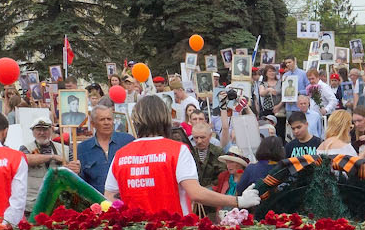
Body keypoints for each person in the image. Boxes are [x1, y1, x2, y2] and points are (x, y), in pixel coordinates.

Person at [106, 93, 256, 220]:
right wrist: (238, 201)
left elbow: (109, 198)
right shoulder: (178, 150)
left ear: (136, 119)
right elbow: (196, 193)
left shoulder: (121, 155)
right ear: (165, 118)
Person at [75, 106, 132, 190]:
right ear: (93, 124)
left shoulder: (127, 141)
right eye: (102, 119)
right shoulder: (83, 148)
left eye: (109, 119)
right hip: (97, 197)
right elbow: (82, 183)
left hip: (124, 196)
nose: (106, 123)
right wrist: (75, 172)